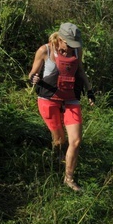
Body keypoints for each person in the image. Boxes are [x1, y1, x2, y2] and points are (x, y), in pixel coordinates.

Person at [28, 23, 96, 192]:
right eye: (69, 43)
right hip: (48, 99)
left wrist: (89, 90)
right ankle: (56, 158)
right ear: (60, 39)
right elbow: (31, 74)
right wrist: (33, 79)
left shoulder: (76, 51)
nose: (72, 47)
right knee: (60, 140)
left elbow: (80, 70)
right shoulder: (45, 51)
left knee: (76, 141)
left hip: (71, 99)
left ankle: (69, 178)